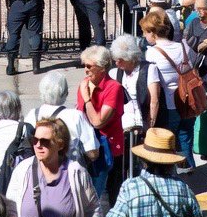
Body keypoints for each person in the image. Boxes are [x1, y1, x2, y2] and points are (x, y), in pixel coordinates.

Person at [142, 9, 196, 173]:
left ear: (153, 32)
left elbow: (151, 84)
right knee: (185, 138)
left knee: (168, 144)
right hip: (188, 101)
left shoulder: (151, 53)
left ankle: (174, 175)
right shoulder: (183, 47)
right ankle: (188, 168)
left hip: (169, 106)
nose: (144, 36)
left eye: (145, 32)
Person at [76, 45, 125, 203]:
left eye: (89, 66)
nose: (85, 69)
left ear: (102, 68)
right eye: (84, 65)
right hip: (89, 149)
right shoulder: (85, 84)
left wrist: (87, 99)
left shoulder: (114, 88)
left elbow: (98, 122)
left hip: (108, 149)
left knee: (108, 195)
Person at [24, 70, 99, 165]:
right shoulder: (75, 116)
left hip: (38, 173)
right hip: (68, 174)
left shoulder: (32, 115)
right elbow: (93, 153)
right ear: (66, 93)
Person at [110, 33, 150, 169]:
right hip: (124, 122)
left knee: (142, 160)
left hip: (143, 119)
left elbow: (154, 101)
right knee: (125, 161)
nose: (116, 63)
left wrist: (149, 125)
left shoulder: (147, 69)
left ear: (130, 58)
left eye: (120, 59)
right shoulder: (114, 73)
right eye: (115, 59)